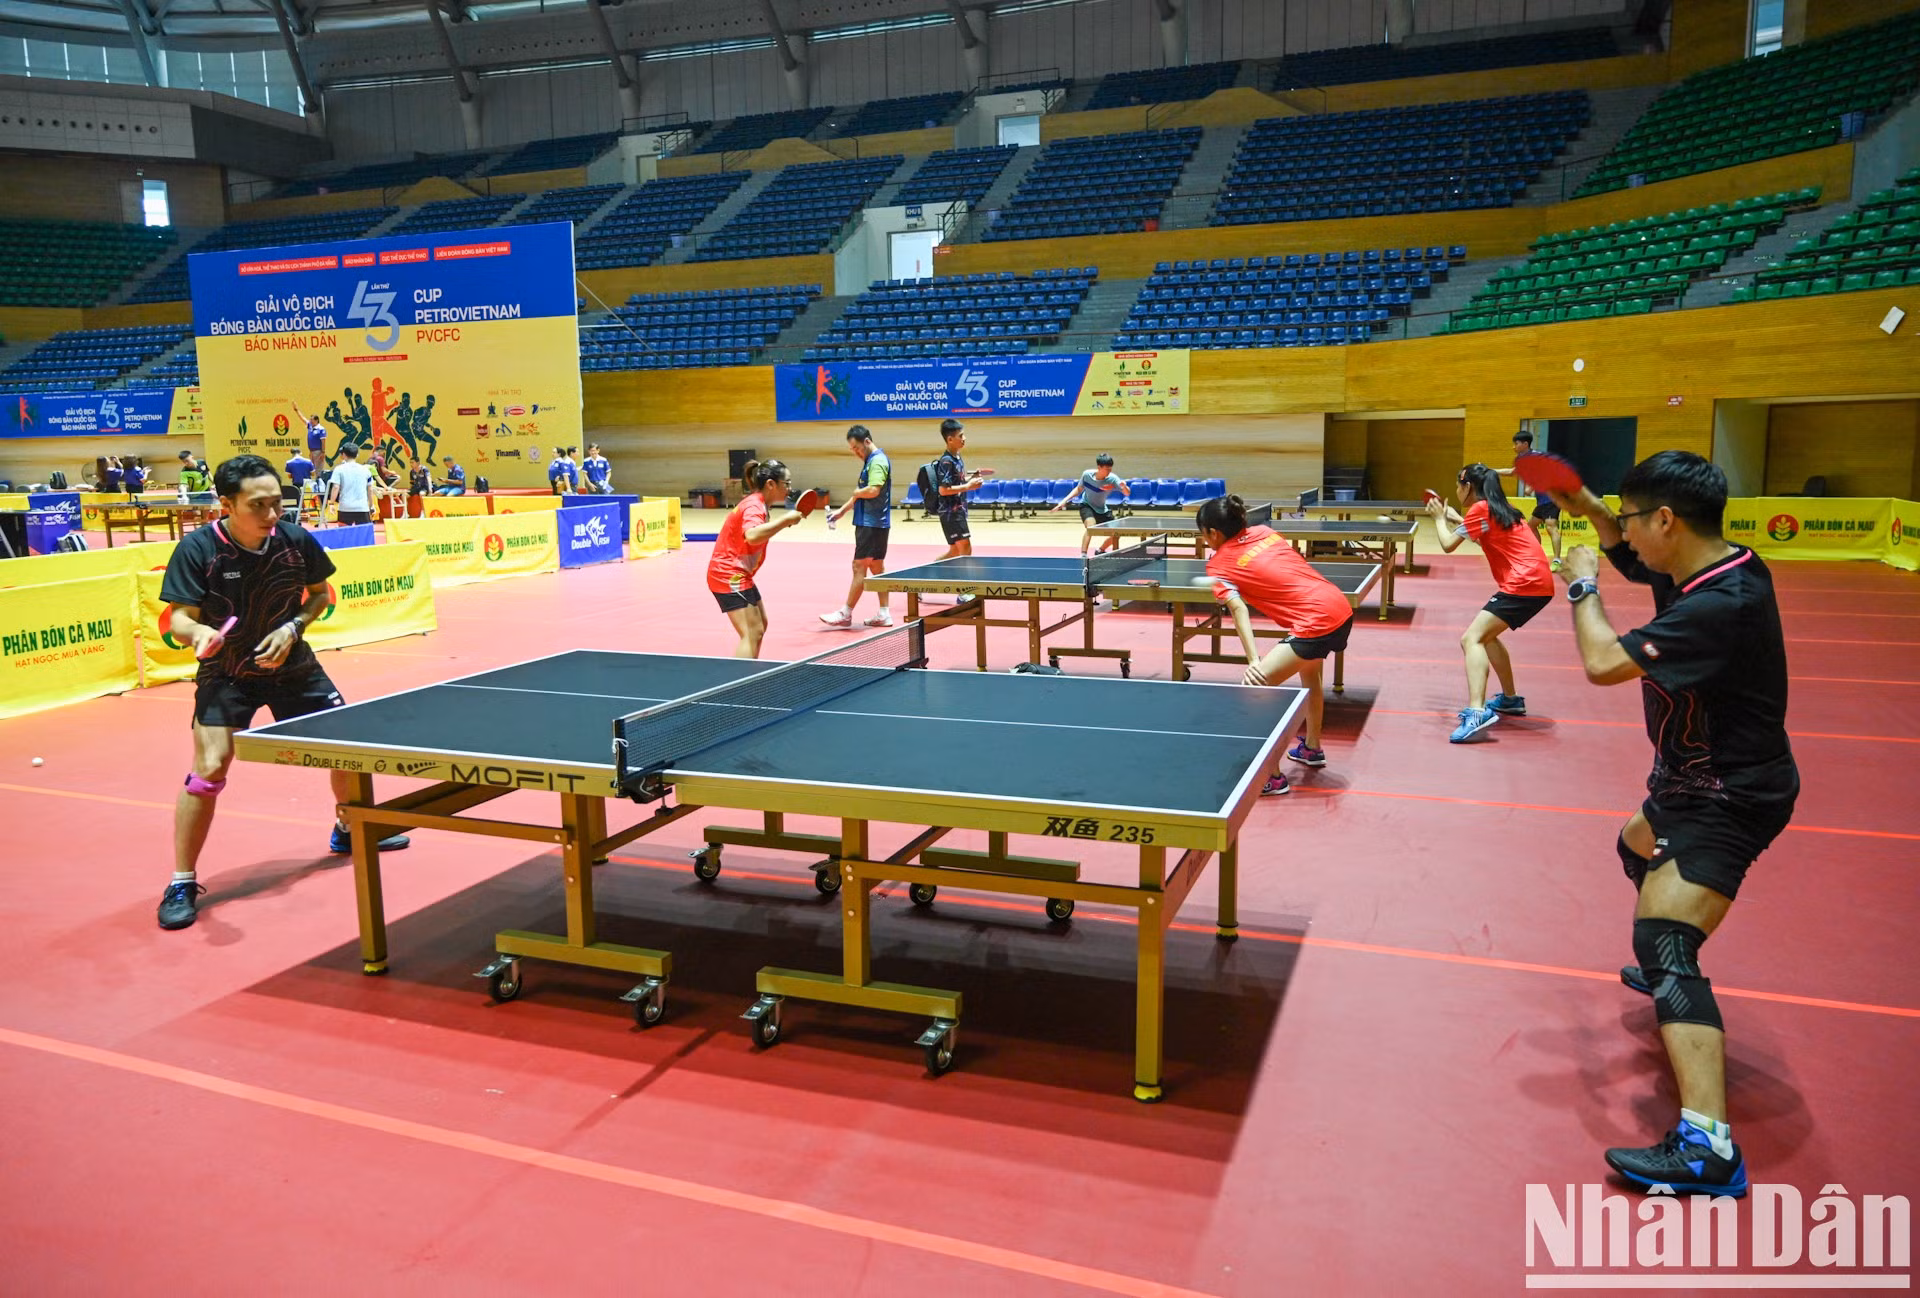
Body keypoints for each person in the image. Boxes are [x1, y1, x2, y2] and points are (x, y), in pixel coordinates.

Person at [1548, 450, 1796, 1197]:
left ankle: (1707, 1149)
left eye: (1632, 519)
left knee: (1665, 942)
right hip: (1687, 783)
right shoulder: (1718, 564)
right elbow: (1637, 558)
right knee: (1633, 847)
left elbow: (1600, 662)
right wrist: (1586, 501)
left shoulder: (1720, 607)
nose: (1622, 534)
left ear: (1666, 520)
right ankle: (1664, 967)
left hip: (1728, 795)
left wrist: (1581, 581)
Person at [154, 454, 410, 931]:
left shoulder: (293, 540)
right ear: (226, 502)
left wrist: (294, 627)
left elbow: (318, 595)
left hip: (292, 665)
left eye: (277, 502)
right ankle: (182, 880)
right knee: (208, 770)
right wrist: (198, 635)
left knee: (345, 751)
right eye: (259, 505)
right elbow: (180, 617)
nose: (272, 515)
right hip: (227, 671)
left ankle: (348, 828)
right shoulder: (199, 549)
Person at [1197, 495, 1356, 794]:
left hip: (1315, 621)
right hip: (1339, 607)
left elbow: (1239, 609)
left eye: (1202, 533)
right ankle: (1312, 748)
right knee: (1310, 676)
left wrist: (1254, 661)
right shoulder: (1266, 533)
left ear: (1213, 533)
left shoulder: (1218, 566)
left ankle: (1271, 776)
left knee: (1254, 690)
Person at [1426, 462, 1555, 743]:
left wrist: (1438, 519)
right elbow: (1482, 535)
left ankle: (1476, 711)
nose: (1457, 489)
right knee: (1488, 637)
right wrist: (1455, 518)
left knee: (1471, 639)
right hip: (1539, 582)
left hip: (1524, 583)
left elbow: (1448, 545)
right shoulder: (1502, 510)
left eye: (1458, 485)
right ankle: (1510, 699)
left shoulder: (1480, 510)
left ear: (1467, 486)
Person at [707, 458, 807, 658]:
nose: (789, 488)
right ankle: (740, 683)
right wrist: (785, 519)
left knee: (760, 626)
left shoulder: (760, 505)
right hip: (728, 574)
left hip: (739, 574)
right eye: (786, 483)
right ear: (771, 484)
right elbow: (752, 535)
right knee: (751, 632)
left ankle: (748, 675)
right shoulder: (754, 505)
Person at [820, 425, 894, 629]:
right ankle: (884, 613)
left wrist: (858, 492)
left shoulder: (877, 461)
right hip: (878, 523)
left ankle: (846, 613)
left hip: (870, 524)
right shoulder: (872, 460)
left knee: (859, 566)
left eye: (856, 448)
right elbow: (860, 494)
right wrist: (842, 511)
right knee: (877, 567)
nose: (855, 452)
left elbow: (873, 490)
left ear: (867, 442)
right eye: (852, 449)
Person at [1498, 428, 1565, 571]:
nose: (1513, 447)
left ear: (1525, 444)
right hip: (1542, 500)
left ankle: (1557, 560)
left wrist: (1531, 486)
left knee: (1551, 526)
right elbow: (1511, 472)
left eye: (1516, 443)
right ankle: (1539, 556)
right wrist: (1490, 471)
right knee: (1531, 526)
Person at [1051, 453, 1133, 555]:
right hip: (1087, 505)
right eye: (1107, 469)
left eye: (1110, 469)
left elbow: (1127, 493)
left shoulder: (1113, 478)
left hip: (1102, 509)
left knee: (1117, 533)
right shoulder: (1087, 475)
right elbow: (1079, 489)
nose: (1109, 471)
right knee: (1091, 527)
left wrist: (1124, 486)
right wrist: (1064, 501)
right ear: (1099, 467)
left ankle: (1101, 550)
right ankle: (1083, 555)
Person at [932, 418, 984, 560]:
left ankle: (931, 570)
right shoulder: (946, 461)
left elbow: (956, 482)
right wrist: (968, 486)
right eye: (960, 436)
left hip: (957, 511)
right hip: (951, 513)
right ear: (950, 439)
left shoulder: (957, 458)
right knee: (965, 549)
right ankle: (963, 581)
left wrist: (971, 479)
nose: (964, 438)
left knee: (954, 552)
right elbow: (944, 490)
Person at [327, 442, 376, 526]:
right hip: (362, 508)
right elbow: (370, 489)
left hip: (345, 507)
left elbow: (335, 487)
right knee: (363, 535)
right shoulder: (366, 470)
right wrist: (371, 505)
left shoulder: (339, 469)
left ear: (344, 455)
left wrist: (331, 503)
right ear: (357, 455)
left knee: (344, 534)